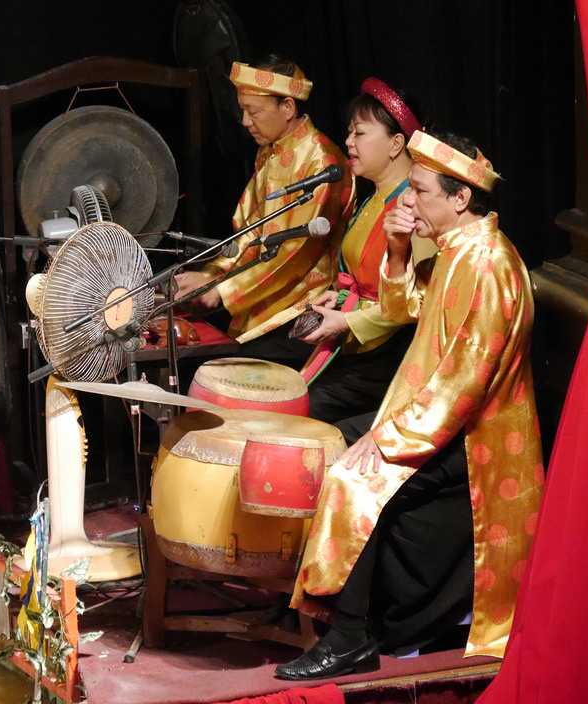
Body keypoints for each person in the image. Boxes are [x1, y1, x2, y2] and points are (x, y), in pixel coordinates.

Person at [276, 129, 544, 681]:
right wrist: (398, 251)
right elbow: (407, 307)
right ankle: (346, 614)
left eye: (420, 191)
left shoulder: (488, 265)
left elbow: (464, 383)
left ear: (461, 198)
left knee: (355, 478)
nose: (408, 201)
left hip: (473, 441)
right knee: (335, 444)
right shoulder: (457, 250)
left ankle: (350, 638)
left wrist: (391, 439)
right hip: (435, 419)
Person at [174, 54, 353, 368]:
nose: (245, 121)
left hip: (302, 306)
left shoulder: (322, 161)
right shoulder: (270, 151)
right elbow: (252, 231)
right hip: (259, 296)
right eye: (243, 110)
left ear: (287, 108)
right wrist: (212, 275)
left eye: (253, 111)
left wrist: (224, 291)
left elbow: (296, 251)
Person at [300, 77, 436, 438]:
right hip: (361, 349)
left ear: (396, 144)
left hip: (390, 358)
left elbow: (420, 303)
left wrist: (347, 322)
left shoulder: (414, 205)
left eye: (359, 133)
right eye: (349, 133)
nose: (348, 142)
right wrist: (340, 297)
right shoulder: (374, 197)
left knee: (299, 413)